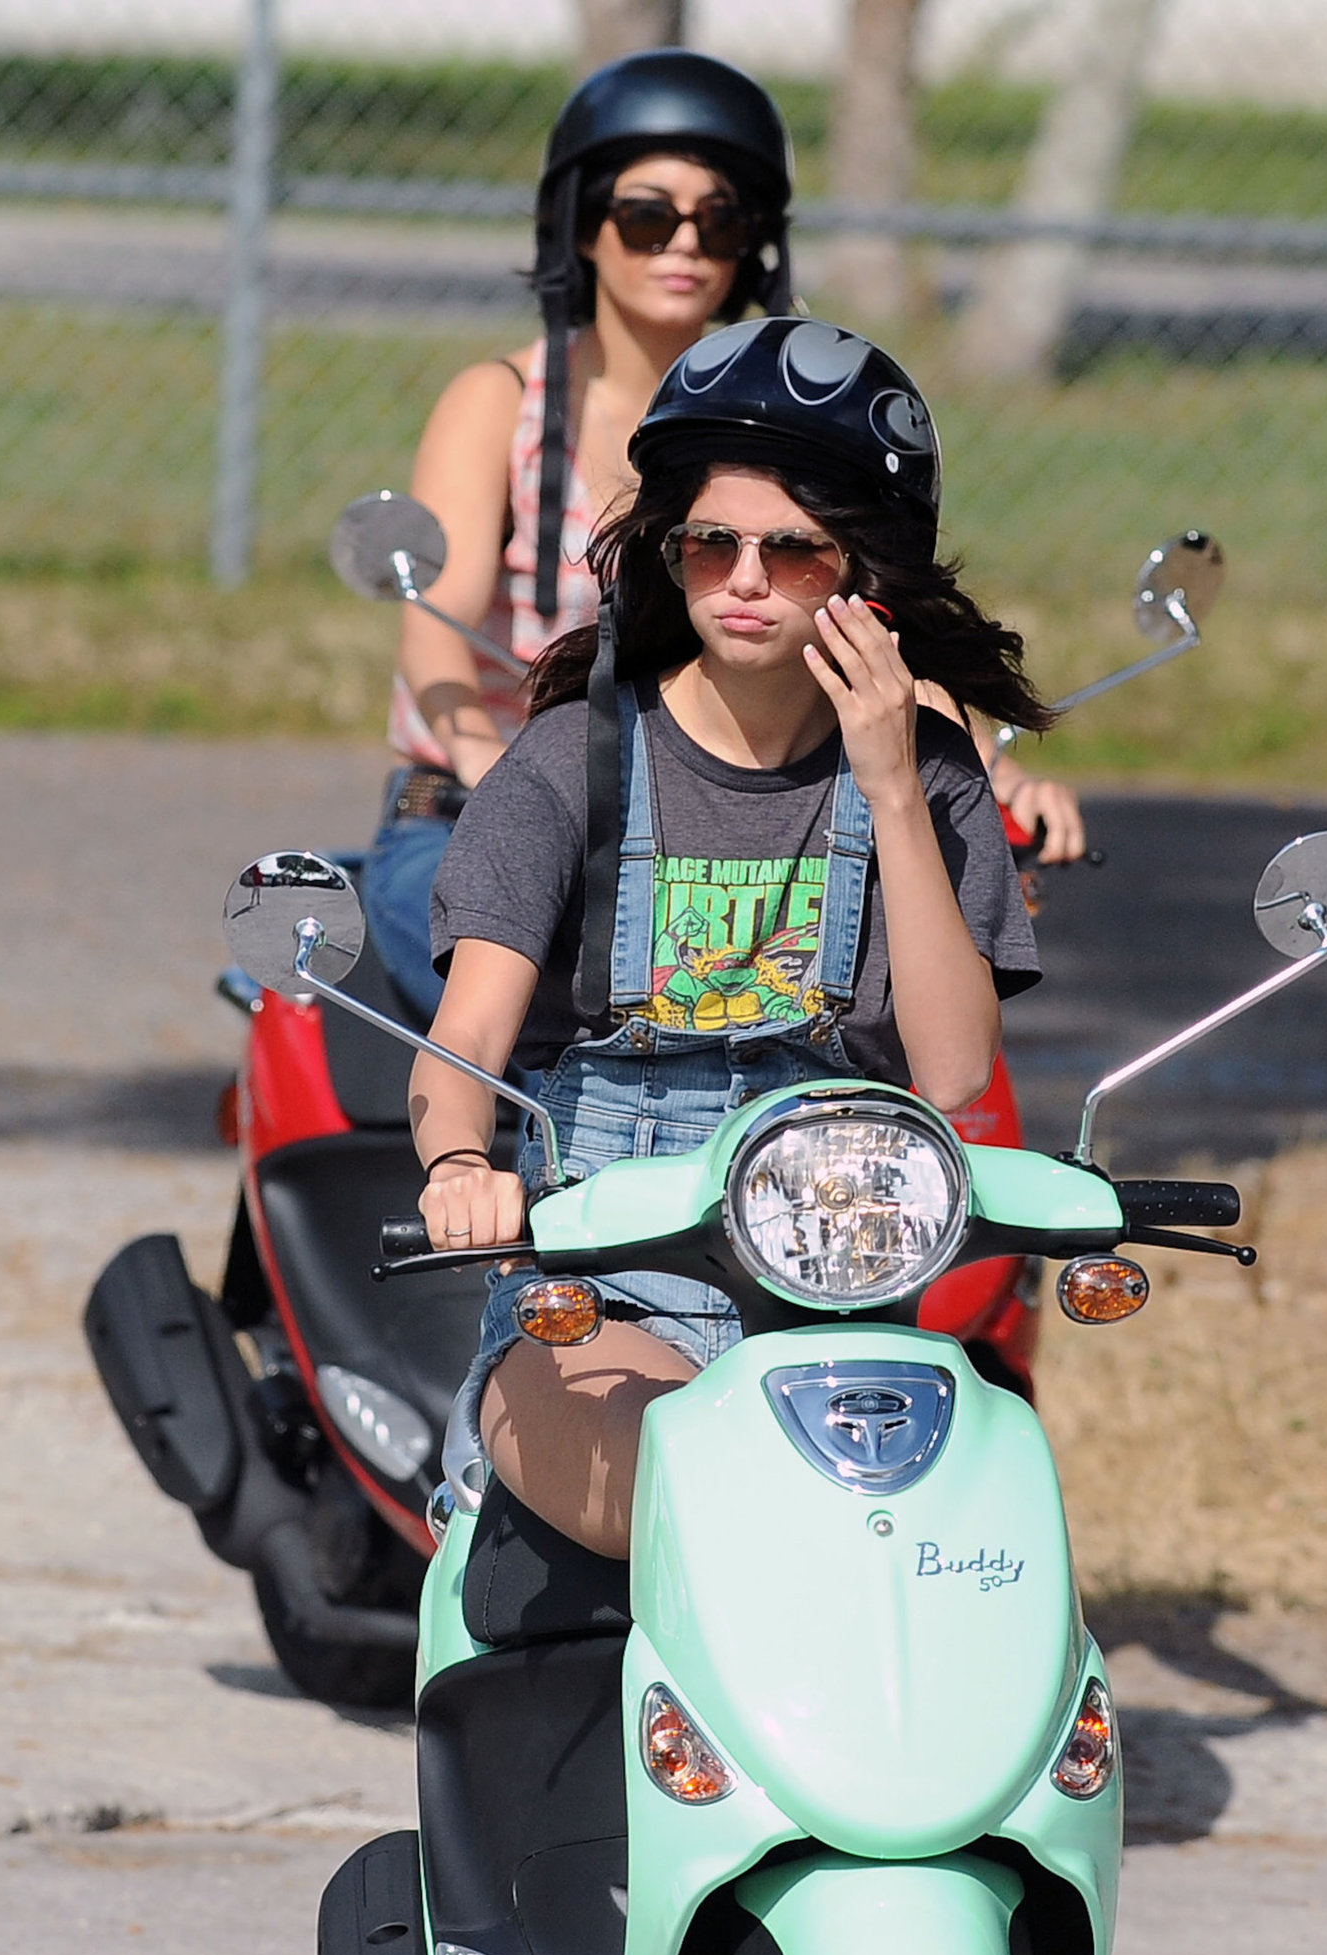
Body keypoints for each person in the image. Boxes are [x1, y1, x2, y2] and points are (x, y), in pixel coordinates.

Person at [407, 317, 1055, 1559]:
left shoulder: (924, 779)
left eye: (794, 550)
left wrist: (892, 784)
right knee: (698, 1504)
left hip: (835, 1291)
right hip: (595, 1287)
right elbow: (464, 1046)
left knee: (972, 1533)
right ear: (671, 552)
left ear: (859, 570)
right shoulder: (568, 764)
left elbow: (954, 1070)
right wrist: (455, 1171)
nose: (745, 579)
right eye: (712, 543)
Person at [363, 49, 796, 1023]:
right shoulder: (498, 404)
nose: (683, 245)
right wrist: (508, 781)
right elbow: (435, 634)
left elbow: (859, 608)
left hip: (712, 818)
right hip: (479, 806)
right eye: (646, 217)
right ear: (583, 231)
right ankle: (479, 1171)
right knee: (540, 991)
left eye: (717, 221)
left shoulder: (780, 428)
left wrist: (977, 754)